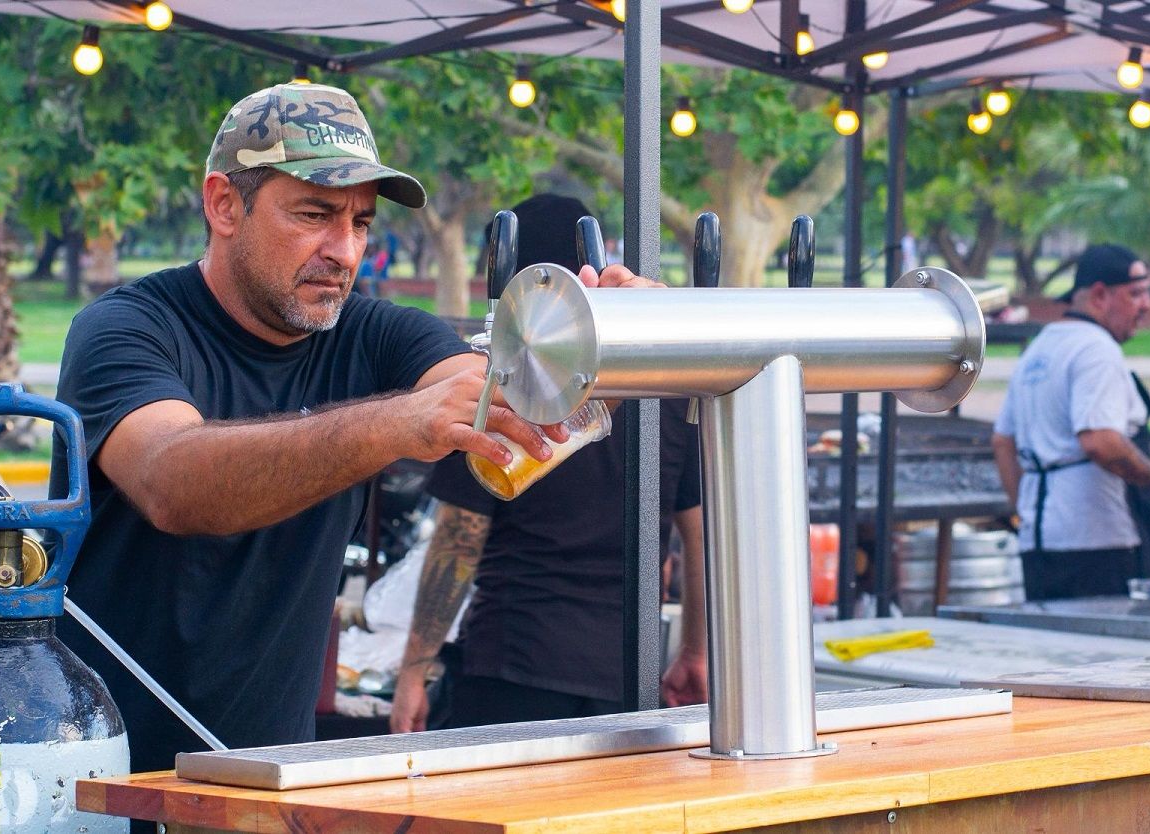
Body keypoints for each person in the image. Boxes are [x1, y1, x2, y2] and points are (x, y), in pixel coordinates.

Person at [50, 83, 659, 780]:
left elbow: (503, 400)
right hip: (104, 776)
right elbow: (171, 480)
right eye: (314, 214)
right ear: (224, 204)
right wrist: (397, 420)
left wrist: (615, 341)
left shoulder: (375, 333)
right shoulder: (125, 329)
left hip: (277, 775)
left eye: (361, 223)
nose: (345, 250)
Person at [389, 194, 707, 733]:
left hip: (514, 665)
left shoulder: (509, 379)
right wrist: (697, 650)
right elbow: (701, 536)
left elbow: (459, 539)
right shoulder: (662, 382)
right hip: (629, 668)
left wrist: (413, 673)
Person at [992, 243, 1150, 600]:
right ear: (1100, 295)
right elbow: (1101, 442)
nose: (1146, 306)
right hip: (1101, 543)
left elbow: (1003, 443)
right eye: (1137, 294)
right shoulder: (1096, 349)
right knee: (1112, 654)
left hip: (1040, 541)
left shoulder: (1039, 348)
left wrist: (1026, 514)